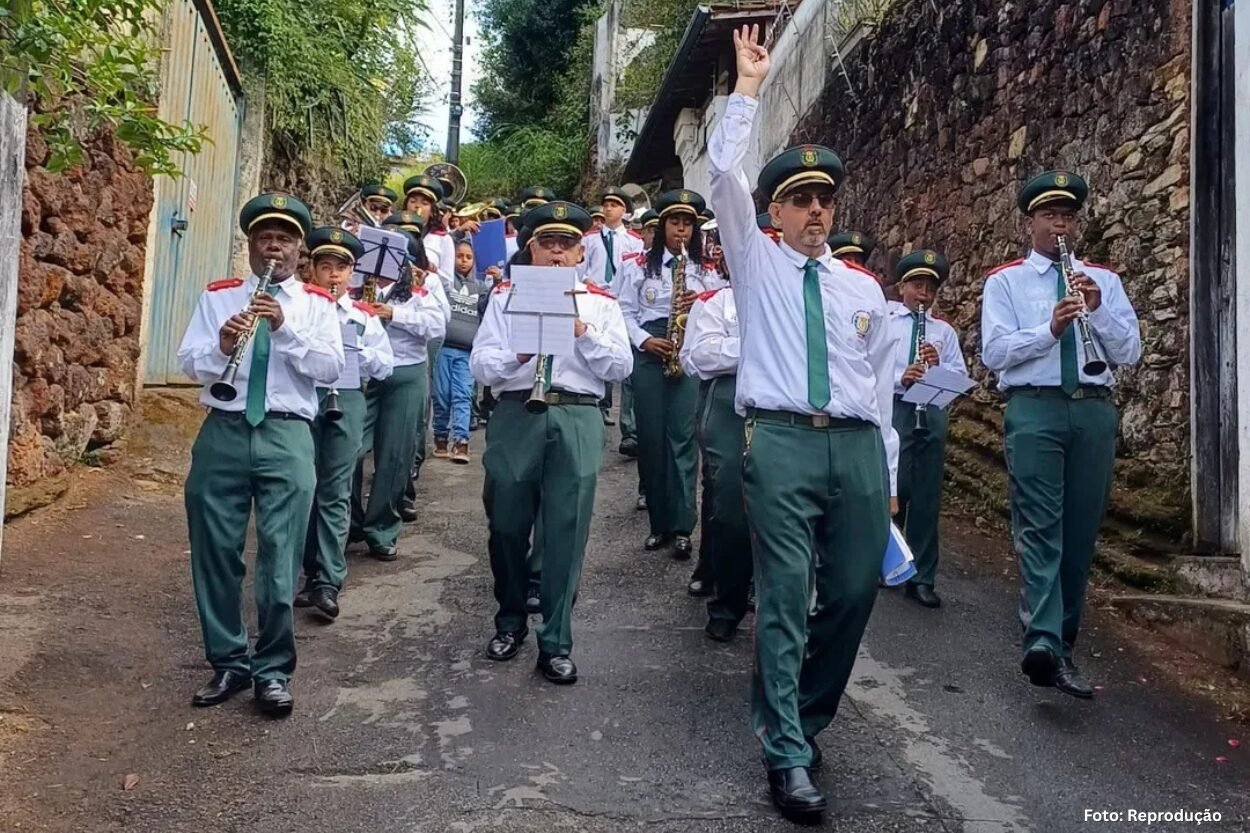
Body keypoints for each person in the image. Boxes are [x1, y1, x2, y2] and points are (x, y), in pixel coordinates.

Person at [709, 25, 900, 823]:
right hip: (782, 440)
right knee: (786, 592)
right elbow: (723, 172)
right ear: (776, 210)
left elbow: (881, 386)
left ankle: (807, 714)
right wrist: (748, 88)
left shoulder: (862, 289)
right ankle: (785, 748)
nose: (817, 209)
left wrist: (885, 475)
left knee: (854, 589)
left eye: (826, 199)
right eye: (801, 198)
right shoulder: (754, 262)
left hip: (855, 446)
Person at [179, 193, 344, 716]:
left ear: (300, 249)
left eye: (286, 237)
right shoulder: (219, 296)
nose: (275, 245)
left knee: (280, 557)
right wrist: (222, 348)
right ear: (251, 244)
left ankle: (273, 671)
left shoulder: (318, 305)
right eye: (265, 236)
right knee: (214, 552)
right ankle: (228, 661)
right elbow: (189, 362)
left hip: (287, 433)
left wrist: (284, 328)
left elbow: (330, 369)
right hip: (223, 429)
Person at [981, 170, 1141, 698]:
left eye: (1068, 216)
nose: (1059, 224)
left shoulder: (1105, 282)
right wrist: (1049, 329)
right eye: (1050, 215)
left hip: (1093, 410)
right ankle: (1044, 641)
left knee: (1079, 534)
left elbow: (1129, 353)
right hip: (1035, 409)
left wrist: (1096, 310)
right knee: (1041, 526)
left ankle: (1062, 645)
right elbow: (996, 354)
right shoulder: (1005, 282)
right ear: (1030, 222)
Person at [471, 202, 633, 684]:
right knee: (505, 523)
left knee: (567, 529)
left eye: (566, 245)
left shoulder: (601, 302)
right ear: (532, 249)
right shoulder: (504, 296)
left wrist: (580, 330)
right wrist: (520, 352)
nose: (557, 253)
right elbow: (482, 364)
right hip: (518, 409)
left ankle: (556, 640)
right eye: (548, 244)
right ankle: (510, 618)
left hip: (578, 413)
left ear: (581, 251)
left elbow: (620, 368)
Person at [295, 227, 394, 620]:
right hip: (304, 396)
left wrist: (359, 352)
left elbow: (385, 366)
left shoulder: (363, 317)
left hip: (348, 397)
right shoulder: (299, 308)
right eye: (326, 267)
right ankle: (307, 570)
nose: (334, 276)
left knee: (335, 488)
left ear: (352, 273)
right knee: (303, 485)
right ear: (313, 271)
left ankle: (328, 579)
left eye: (342, 268)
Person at [616, 189, 720, 558]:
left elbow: (724, 313)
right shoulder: (636, 265)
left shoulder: (707, 271)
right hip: (650, 352)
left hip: (687, 351)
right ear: (662, 227)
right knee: (652, 440)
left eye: (688, 223)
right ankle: (658, 524)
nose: (682, 230)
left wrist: (702, 303)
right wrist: (644, 341)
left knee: (682, 440)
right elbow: (623, 311)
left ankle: (682, 527)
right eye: (675, 223)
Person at [353, 226, 447, 560]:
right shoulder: (355, 281)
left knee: (395, 455)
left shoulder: (424, 285)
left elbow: (438, 325)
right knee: (349, 449)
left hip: (405, 370)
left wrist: (395, 313)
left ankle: (380, 528)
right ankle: (350, 521)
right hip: (361, 375)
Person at [888, 249, 967, 609]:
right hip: (895, 408)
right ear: (902, 286)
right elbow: (867, 369)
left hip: (930, 410)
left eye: (930, 288)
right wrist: (900, 375)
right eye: (917, 285)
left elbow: (961, 378)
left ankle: (922, 577)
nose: (923, 294)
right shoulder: (887, 322)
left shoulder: (943, 332)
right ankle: (887, 562)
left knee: (925, 496)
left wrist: (937, 369)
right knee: (892, 489)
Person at [680, 280, 753, 638]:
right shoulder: (717, 301)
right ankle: (727, 601)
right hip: (729, 399)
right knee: (729, 501)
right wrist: (760, 345)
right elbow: (699, 356)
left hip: (785, 401)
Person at [583, 186, 646, 430]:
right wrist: (588, 281)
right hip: (596, 298)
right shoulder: (590, 239)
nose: (608, 208)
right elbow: (582, 267)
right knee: (595, 342)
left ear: (624, 210)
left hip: (622, 300)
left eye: (614, 205)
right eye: (606, 204)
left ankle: (625, 418)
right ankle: (600, 403)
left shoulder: (634, 241)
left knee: (619, 348)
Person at [433, 239, 481, 463]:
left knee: (462, 395)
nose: (463, 261)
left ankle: (461, 442)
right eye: (459, 256)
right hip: (443, 349)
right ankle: (441, 437)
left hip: (467, 353)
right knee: (441, 396)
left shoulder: (481, 287)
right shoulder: (445, 284)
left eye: (468, 257)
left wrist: (498, 278)